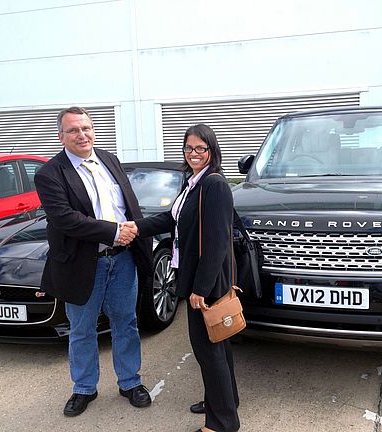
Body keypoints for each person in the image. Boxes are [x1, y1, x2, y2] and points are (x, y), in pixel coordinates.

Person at [35, 106, 153, 417]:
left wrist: (135, 232)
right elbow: (65, 219)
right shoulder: (49, 174)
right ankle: (84, 387)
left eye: (86, 128)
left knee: (126, 323)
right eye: (73, 130)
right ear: (61, 136)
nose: (81, 135)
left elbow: (128, 204)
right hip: (83, 264)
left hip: (123, 260)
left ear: (94, 131)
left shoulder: (109, 160)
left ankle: (130, 382)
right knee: (82, 329)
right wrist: (114, 232)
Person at [133, 124, 240, 432]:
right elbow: (171, 219)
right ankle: (224, 401)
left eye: (200, 148)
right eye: (189, 148)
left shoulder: (214, 184)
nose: (194, 153)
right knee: (217, 346)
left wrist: (201, 289)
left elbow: (218, 242)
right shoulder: (193, 183)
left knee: (209, 350)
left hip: (208, 282)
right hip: (198, 277)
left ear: (212, 151)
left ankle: (222, 423)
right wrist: (135, 227)